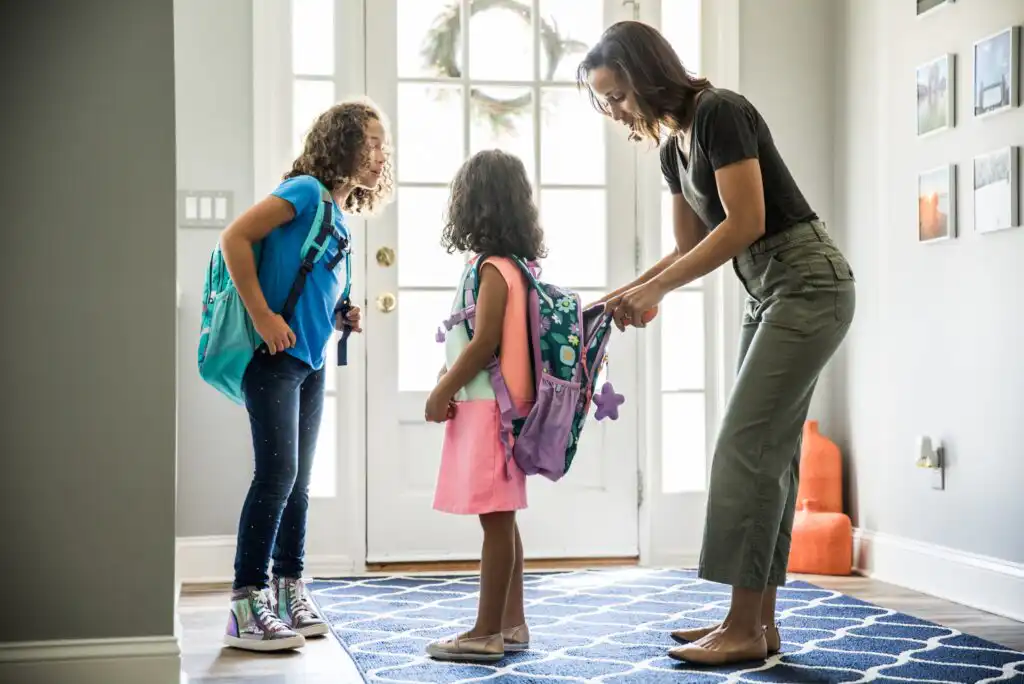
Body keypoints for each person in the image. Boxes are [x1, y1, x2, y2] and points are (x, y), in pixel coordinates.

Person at [578, 22, 856, 665]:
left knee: (746, 447)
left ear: (647, 76)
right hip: (769, 291)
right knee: (771, 454)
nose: (616, 111)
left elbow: (747, 222)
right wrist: (615, 298)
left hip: (809, 282)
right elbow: (685, 248)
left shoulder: (720, 113)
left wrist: (653, 293)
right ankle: (759, 623)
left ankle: (741, 628)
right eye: (605, 100)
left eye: (617, 95)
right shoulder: (673, 149)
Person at [218, 98, 393, 652]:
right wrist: (264, 317)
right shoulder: (304, 192)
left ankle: (291, 587)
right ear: (340, 143)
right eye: (369, 142)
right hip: (274, 358)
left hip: (309, 360)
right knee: (275, 477)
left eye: (382, 144)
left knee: (297, 480)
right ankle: (246, 604)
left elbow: (312, 281)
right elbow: (235, 238)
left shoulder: (338, 213)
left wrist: (342, 314)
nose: (379, 154)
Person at [422, 149, 544, 662]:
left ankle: (484, 632)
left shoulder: (494, 269)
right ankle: (511, 623)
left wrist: (442, 389)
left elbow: (484, 341)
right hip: (495, 408)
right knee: (502, 518)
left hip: (486, 410)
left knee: (496, 521)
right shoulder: (514, 265)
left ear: (474, 206)